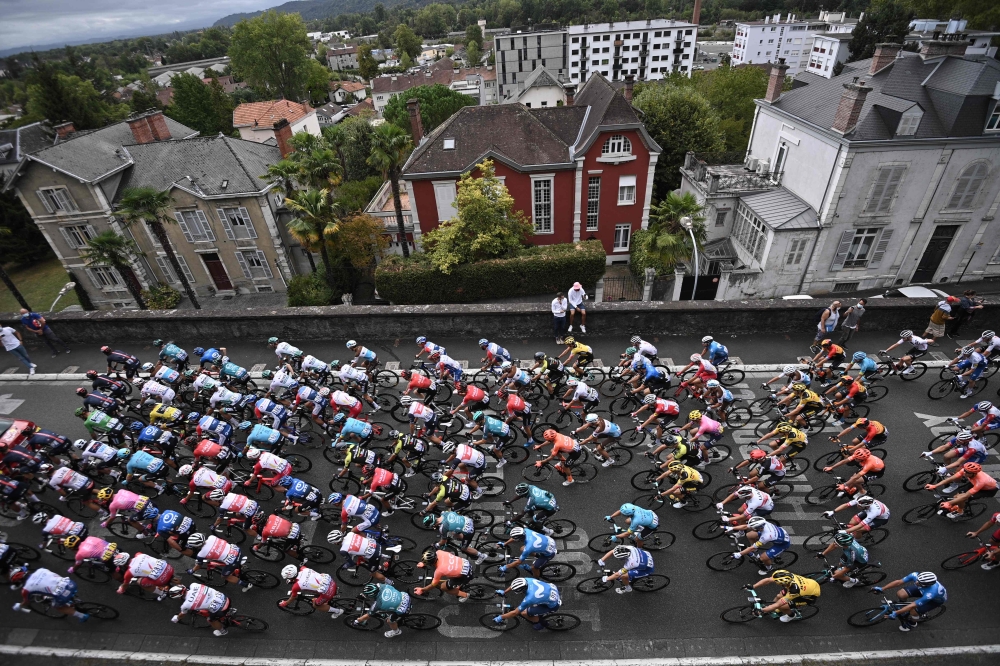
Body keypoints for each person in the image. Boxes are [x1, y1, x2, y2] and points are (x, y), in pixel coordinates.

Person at [871, 572, 947, 632]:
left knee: (913, 611)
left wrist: (896, 613)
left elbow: (913, 605)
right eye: (917, 580)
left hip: (934, 600)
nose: (916, 582)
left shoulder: (931, 593)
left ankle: (912, 624)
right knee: (901, 593)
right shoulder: (916, 575)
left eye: (919, 583)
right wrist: (882, 588)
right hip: (923, 590)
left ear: (926, 585)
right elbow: (899, 582)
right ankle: (901, 605)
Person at [747, 569, 820, 622]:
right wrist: (753, 586)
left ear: (784, 583)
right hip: (810, 584)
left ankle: (791, 615)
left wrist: (761, 610)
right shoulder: (785, 575)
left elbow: (778, 604)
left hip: (808, 596)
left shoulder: (794, 591)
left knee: (781, 607)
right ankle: (771, 609)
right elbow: (768, 580)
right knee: (778, 596)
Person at [492, 577, 562, 629]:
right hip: (551, 589)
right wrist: (504, 592)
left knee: (524, 613)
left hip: (553, 605)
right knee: (533, 606)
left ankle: (542, 623)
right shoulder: (527, 580)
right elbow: (515, 585)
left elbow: (515, 613)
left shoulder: (530, 598)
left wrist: (501, 617)